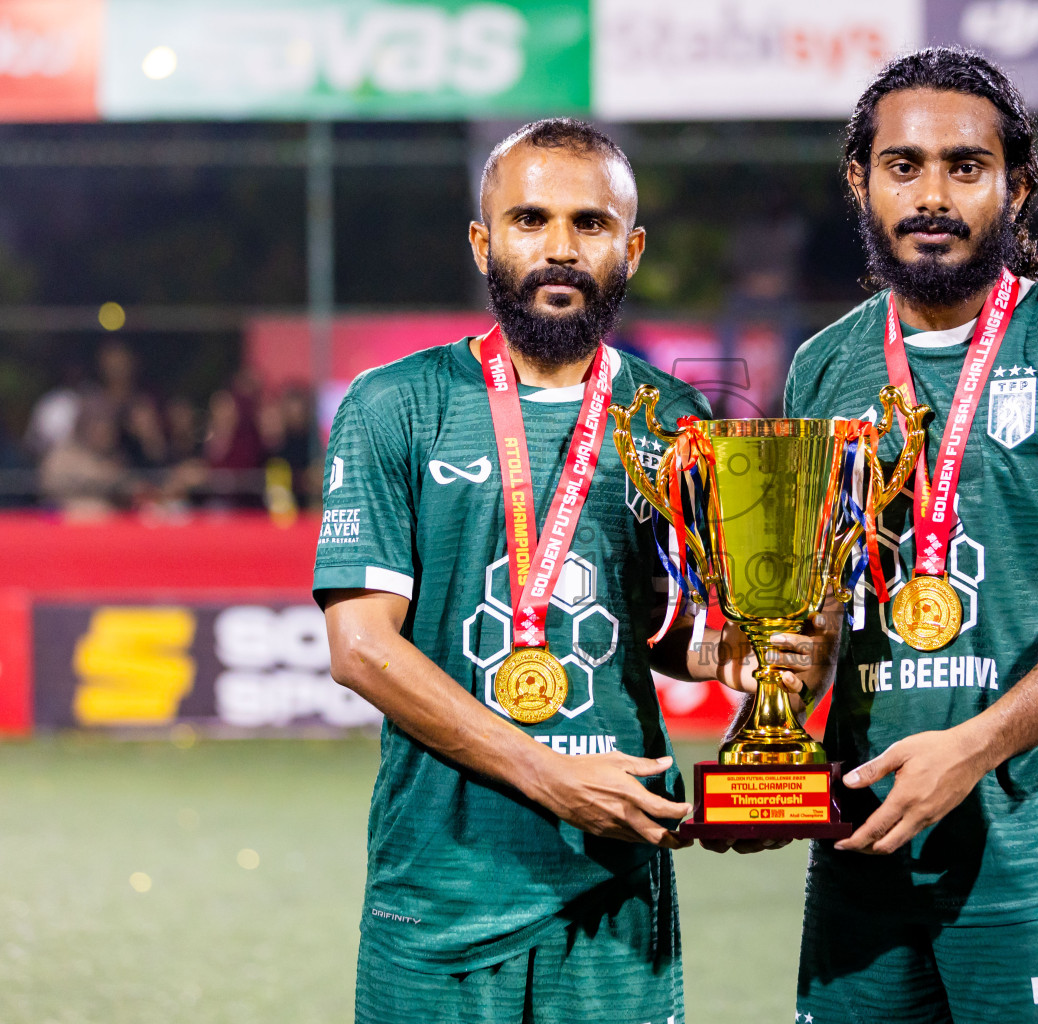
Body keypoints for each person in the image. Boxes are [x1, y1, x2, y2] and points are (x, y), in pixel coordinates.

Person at [315, 118, 820, 1023]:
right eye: (530, 220)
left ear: (629, 247)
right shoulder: (394, 404)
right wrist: (546, 773)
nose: (559, 249)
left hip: (615, 891)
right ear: (483, 241)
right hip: (439, 897)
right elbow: (360, 648)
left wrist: (734, 654)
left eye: (589, 224)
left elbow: (664, 623)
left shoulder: (674, 415)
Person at [750, 48, 1038, 1023]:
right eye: (904, 165)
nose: (933, 195)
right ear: (860, 181)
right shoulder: (823, 369)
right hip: (861, 858)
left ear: (1017, 183)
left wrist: (976, 745)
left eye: (966, 165)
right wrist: (778, 681)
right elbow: (816, 615)